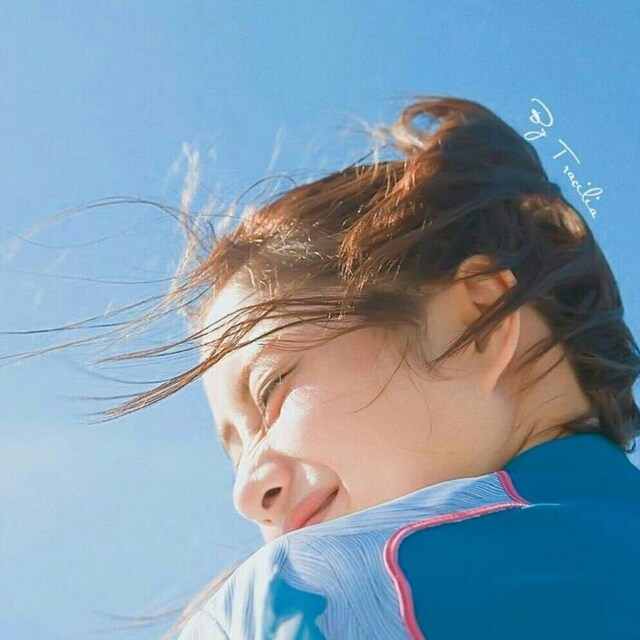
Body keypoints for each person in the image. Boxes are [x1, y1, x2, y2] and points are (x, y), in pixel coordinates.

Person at [47, 96, 640, 638]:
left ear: (481, 318)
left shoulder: (310, 598)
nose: (247, 493)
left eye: (271, 388)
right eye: (235, 454)